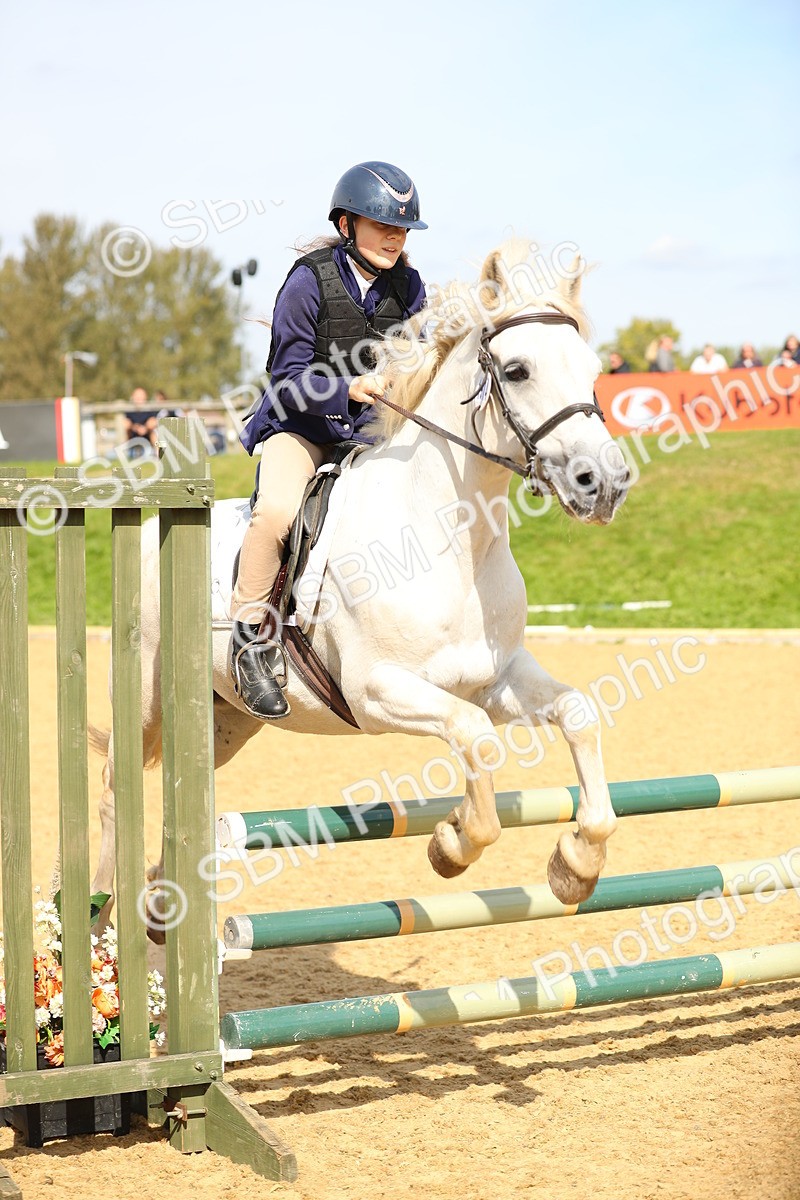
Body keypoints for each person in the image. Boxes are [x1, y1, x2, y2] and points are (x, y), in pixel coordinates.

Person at [231, 161, 428, 719]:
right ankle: (250, 637)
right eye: (383, 223)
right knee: (275, 513)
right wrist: (351, 386)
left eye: (403, 227)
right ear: (347, 224)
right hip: (304, 426)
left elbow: (422, 358)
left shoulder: (409, 288)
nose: (396, 235)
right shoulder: (308, 279)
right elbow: (288, 378)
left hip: (370, 433)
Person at [124, 386, 159, 454]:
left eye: (141, 396)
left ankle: (158, 454)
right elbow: (126, 423)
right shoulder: (129, 409)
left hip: (147, 436)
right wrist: (135, 428)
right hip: (132, 436)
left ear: (145, 397)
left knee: (153, 431)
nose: (139, 398)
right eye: (137, 396)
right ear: (133, 397)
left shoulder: (150, 409)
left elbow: (153, 422)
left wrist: (145, 428)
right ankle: (124, 453)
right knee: (125, 425)